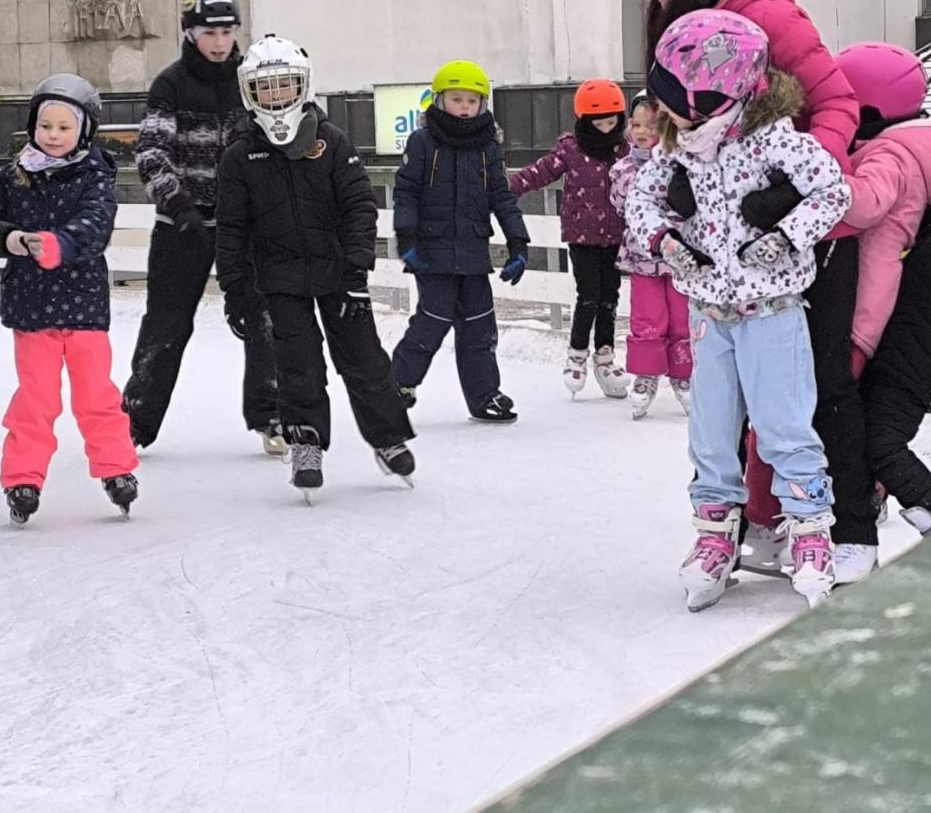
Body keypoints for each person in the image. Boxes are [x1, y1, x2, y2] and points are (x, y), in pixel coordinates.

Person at [631, 0, 875, 567]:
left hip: (803, 231)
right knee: (726, 409)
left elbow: (838, 105)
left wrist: (786, 194)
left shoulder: (763, 14)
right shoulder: (685, 24)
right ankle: (751, 523)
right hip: (727, 252)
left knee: (814, 388)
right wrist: (680, 193)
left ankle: (842, 529)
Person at [626, 11, 851, 610]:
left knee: (783, 426)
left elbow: (834, 191)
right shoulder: (679, 146)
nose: (665, 114)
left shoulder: (776, 139)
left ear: (719, 97)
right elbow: (640, 199)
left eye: (677, 102)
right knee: (711, 434)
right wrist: (667, 241)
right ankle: (713, 534)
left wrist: (786, 234)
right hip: (709, 314)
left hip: (772, 311)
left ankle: (808, 531)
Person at [215, 35, 415, 499]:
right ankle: (305, 441)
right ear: (250, 94)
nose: (276, 97)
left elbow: (360, 206)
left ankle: (388, 437)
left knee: (364, 360)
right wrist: (235, 291)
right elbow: (230, 230)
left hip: (339, 275)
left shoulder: (331, 141)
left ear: (302, 86)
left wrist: (357, 265)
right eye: (265, 88)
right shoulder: (240, 156)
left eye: (285, 85)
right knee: (298, 365)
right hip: (278, 282)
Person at [121, 0, 280, 454]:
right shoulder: (170, 84)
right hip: (182, 227)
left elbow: (268, 142)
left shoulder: (249, 80)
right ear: (191, 34)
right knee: (166, 325)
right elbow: (151, 152)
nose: (219, 41)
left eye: (227, 31)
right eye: (209, 31)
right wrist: (179, 205)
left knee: (264, 316)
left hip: (245, 227)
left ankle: (270, 413)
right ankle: (134, 420)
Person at [0, 75, 138, 525]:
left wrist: (60, 244)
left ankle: (116, 469)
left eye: (63, 127)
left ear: (83, 131)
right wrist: (9, 238)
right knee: (36, 398)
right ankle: (22, 478)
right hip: (32, 310)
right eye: (45, 125)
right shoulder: (15, 176)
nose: (52, 135)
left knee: (96, 396)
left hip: (83, 308)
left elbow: (96, 225)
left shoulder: (95, 175)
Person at [834, 43, 931, 538]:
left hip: (912, 319)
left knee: (875, 431)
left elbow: (871, 227)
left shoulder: (889, 155)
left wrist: (813, 181)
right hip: (927, 319)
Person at [391, 60, 530, 422]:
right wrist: (406, 238)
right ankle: (398, 384)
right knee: (432, 320)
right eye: (457, 99)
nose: (465, 107)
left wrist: (518, 243)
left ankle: (484, 395)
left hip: (472, 252)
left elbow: (502, 197)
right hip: (431, 253)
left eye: (472, 100)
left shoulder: (488, 148)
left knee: (479, 326)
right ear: (439, 100)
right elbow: (406, 193)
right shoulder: (423, 143)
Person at [509, 79, 629, 399]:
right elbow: (541, 172)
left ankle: (605, 355)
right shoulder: (571, 149)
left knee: (610, 297)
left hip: (617, 235)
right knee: (588, 295)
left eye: (611, 122)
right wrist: (508, 188)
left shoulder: (627, 149)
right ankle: (577, 353)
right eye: (598, 123)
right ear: (584, 122)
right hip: (583, 235)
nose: (605, 129)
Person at [609, 92, 692, 418]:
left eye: (651, 125)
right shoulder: (623, 169)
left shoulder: (682, 164)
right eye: (636, 124)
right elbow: (620, 206)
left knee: (681, 319)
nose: (642, 132)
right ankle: (645, 374)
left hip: (678, 260)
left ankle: (683, 375)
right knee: (647, 319)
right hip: (642, 259)